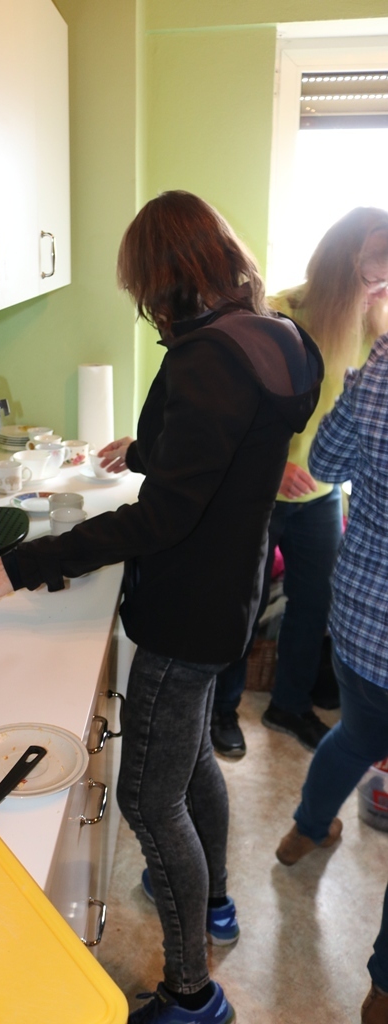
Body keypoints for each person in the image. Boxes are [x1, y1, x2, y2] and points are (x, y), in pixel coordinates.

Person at [0, 190, 322, 1024]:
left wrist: (23, 563)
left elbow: (163, 518)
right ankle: (212, 898)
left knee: (149, 800)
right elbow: (231, 448)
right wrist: (147, 449)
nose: (145, 306)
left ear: (164, 277)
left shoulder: (205, 358)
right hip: (232, 589)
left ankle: (190, 992)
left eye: (143, 288)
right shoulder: (277, 337)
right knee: (188, 761)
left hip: (185, 608)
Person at [211, 208, 388, 760]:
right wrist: (273, 465)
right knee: (243, 604)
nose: (379, 293)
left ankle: (288, 705)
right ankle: (223, 709)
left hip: (321, 495)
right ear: (340, 270)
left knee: (315, 604)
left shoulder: (374, 325)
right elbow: (231, 415)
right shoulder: (277, 317)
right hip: (263, 491)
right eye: (371, 280)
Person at [274, 332, 388, 1024]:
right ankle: (384, 990)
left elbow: (325, 462)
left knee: (354, 735)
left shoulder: (380, 369)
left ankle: (305, 830)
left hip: (366, 619)